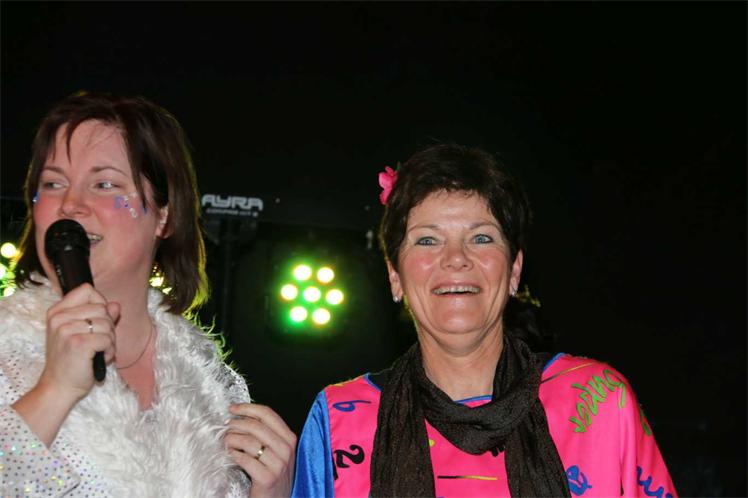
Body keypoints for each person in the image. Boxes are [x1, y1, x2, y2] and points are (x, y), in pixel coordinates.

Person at [292, 144, 677, 497]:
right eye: (427, 240)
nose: (456, 258)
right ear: (395, 275)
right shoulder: (340, 419)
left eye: (481, 238)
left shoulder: (596, 400)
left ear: (514, 270)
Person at [0, 92, 296, 497]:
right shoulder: (5, 350)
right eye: (53, 183)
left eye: (104, 184)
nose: (70, 204)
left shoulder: (213, 387)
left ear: (164, 215)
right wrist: (55, 388)